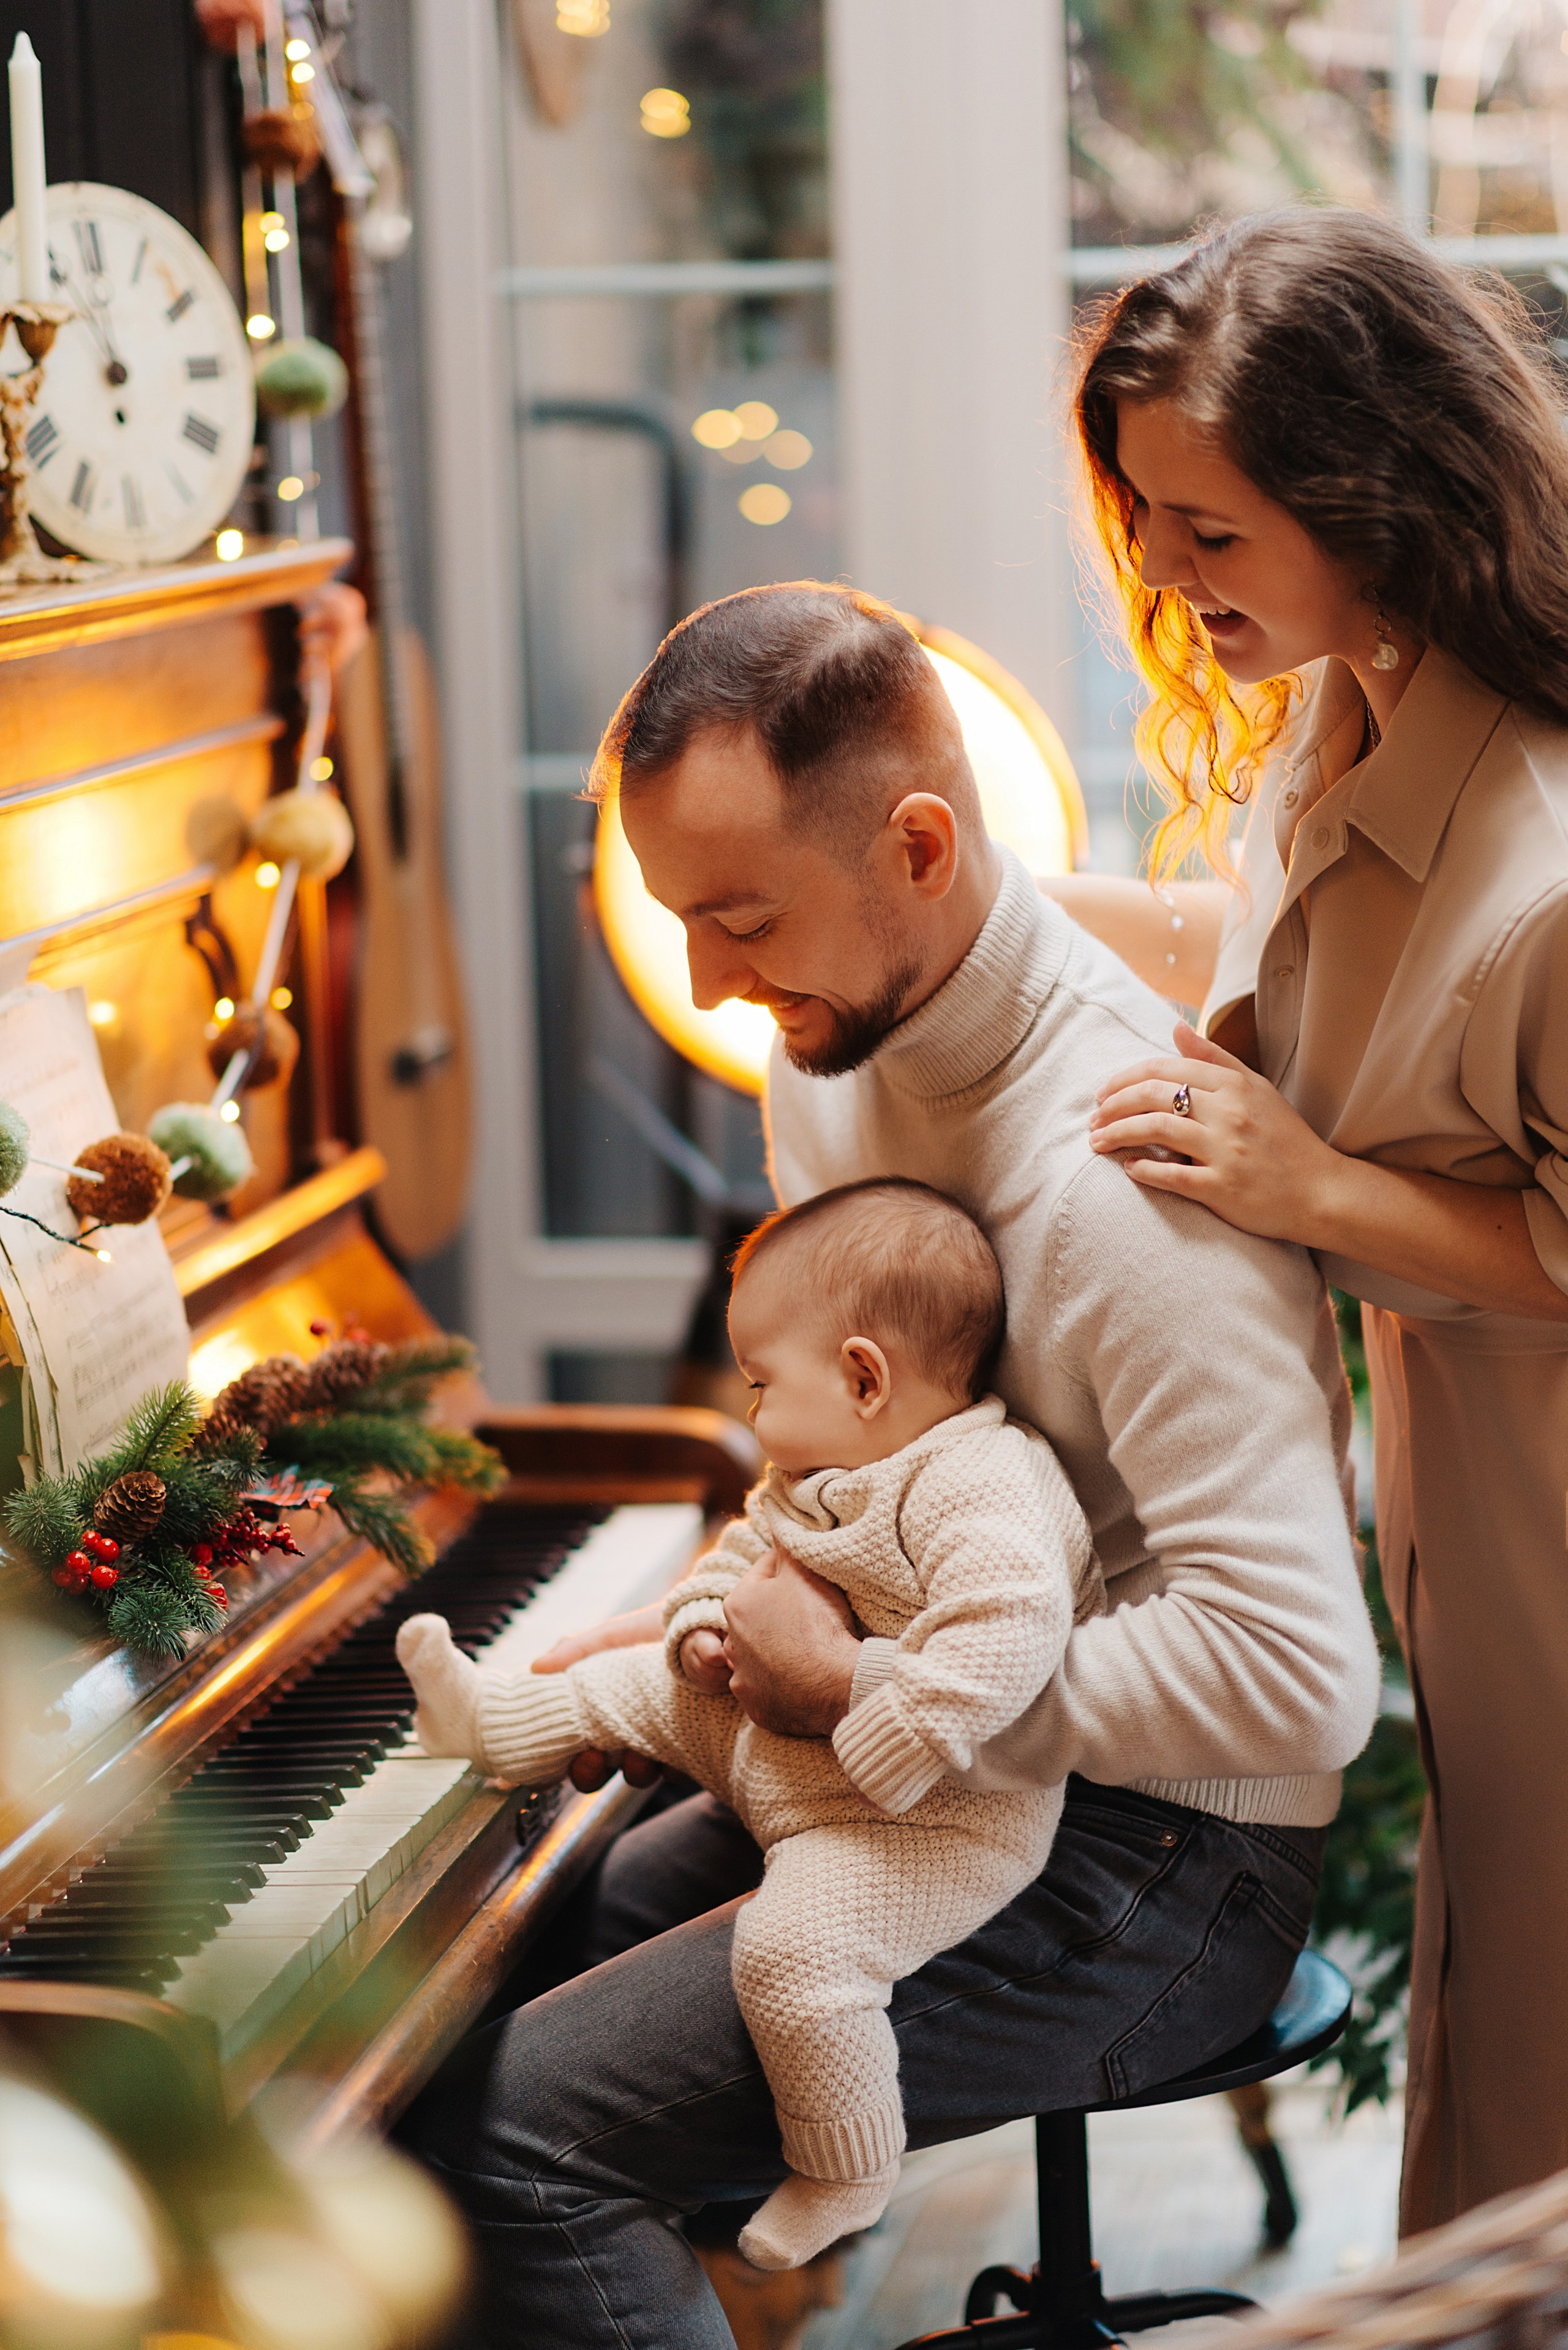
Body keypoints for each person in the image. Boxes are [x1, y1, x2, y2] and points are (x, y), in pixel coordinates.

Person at [402, 581, 1380, 2350]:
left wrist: (868, 1681)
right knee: (503, 1950)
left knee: (518, 2141)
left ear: (920, 843)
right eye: (679, 917)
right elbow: (840, 1462)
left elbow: (1301, 1680)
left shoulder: (1122, 1184)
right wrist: (703, 1620)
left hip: (1170, 1851)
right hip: (933, 1770)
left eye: (744, 915)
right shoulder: (833, 1065)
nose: (706, 981)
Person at [1042, 206, 1568, 2233]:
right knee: (1502, 2005)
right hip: (1469, 1497)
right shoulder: (1340, 706)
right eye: (1146, 515)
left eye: (1212, 529)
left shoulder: (1541, 860)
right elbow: (1284, 978)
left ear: (1383, 500)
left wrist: (1311, 1184)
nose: (1160, 577)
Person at [397, 1178, 1099, 2273]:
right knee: (624, 1682)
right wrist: (695, 1642)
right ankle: (483, 1720)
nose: (752, 1409)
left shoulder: (981, 1488)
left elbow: (1004, 1645)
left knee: (791, 1953)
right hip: (790, 1746)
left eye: (763, 1382)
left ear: (865, 1375)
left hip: (921, 1822)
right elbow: (729, 1564)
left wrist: (845, 1702)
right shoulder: (812, 1470)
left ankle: (849, 2165)